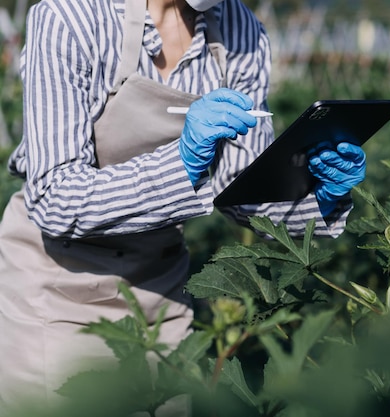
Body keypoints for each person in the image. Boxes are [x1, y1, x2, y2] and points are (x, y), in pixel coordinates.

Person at [0, 0, 366, 412]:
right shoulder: (71, 17)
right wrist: (182, 163)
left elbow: (238, 188)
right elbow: (54, 199)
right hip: (59, 287)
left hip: (161, 289)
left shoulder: (243, 33)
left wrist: (316, 195)